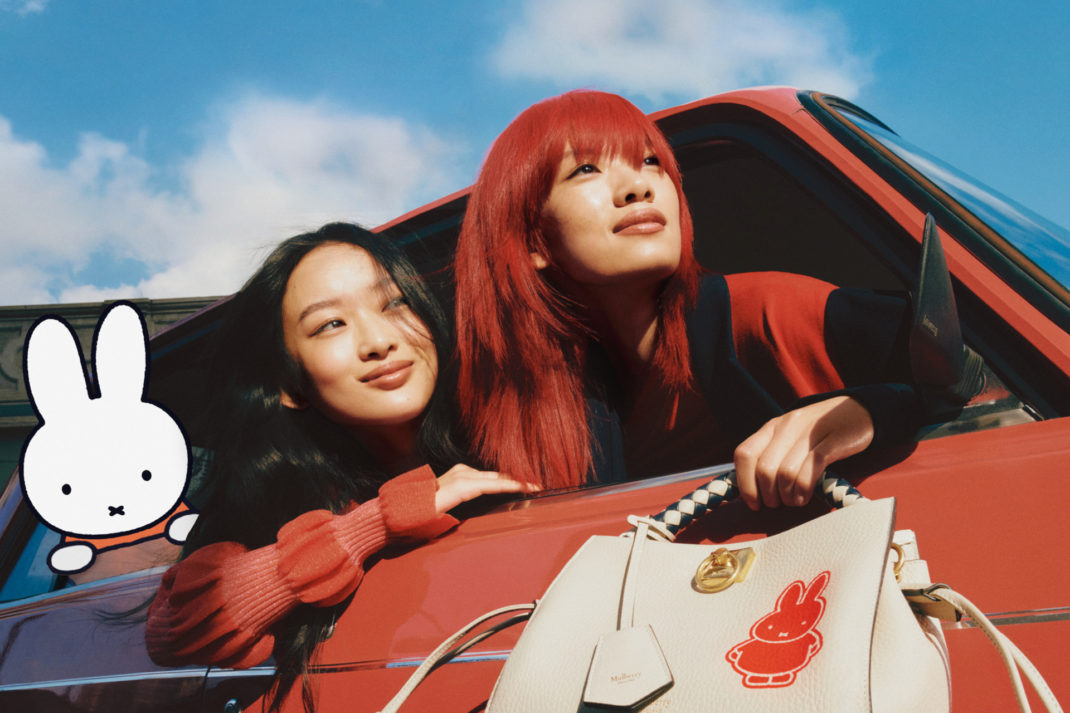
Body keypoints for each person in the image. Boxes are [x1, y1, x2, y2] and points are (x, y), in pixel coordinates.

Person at [454, 90, 951, 508]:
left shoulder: (767, 309)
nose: (638, 187)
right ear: (534, 242)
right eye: (585, 169)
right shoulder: (533, 415)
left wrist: (868, 411)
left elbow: (987, 368)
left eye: (651, 162)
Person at [145, 223, 527, 711]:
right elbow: (175, 631)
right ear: (291, 385)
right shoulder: (277, 503)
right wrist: (378, 522)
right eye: (330, 324)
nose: (378, 341)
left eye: (393, 303)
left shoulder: (512, 434)